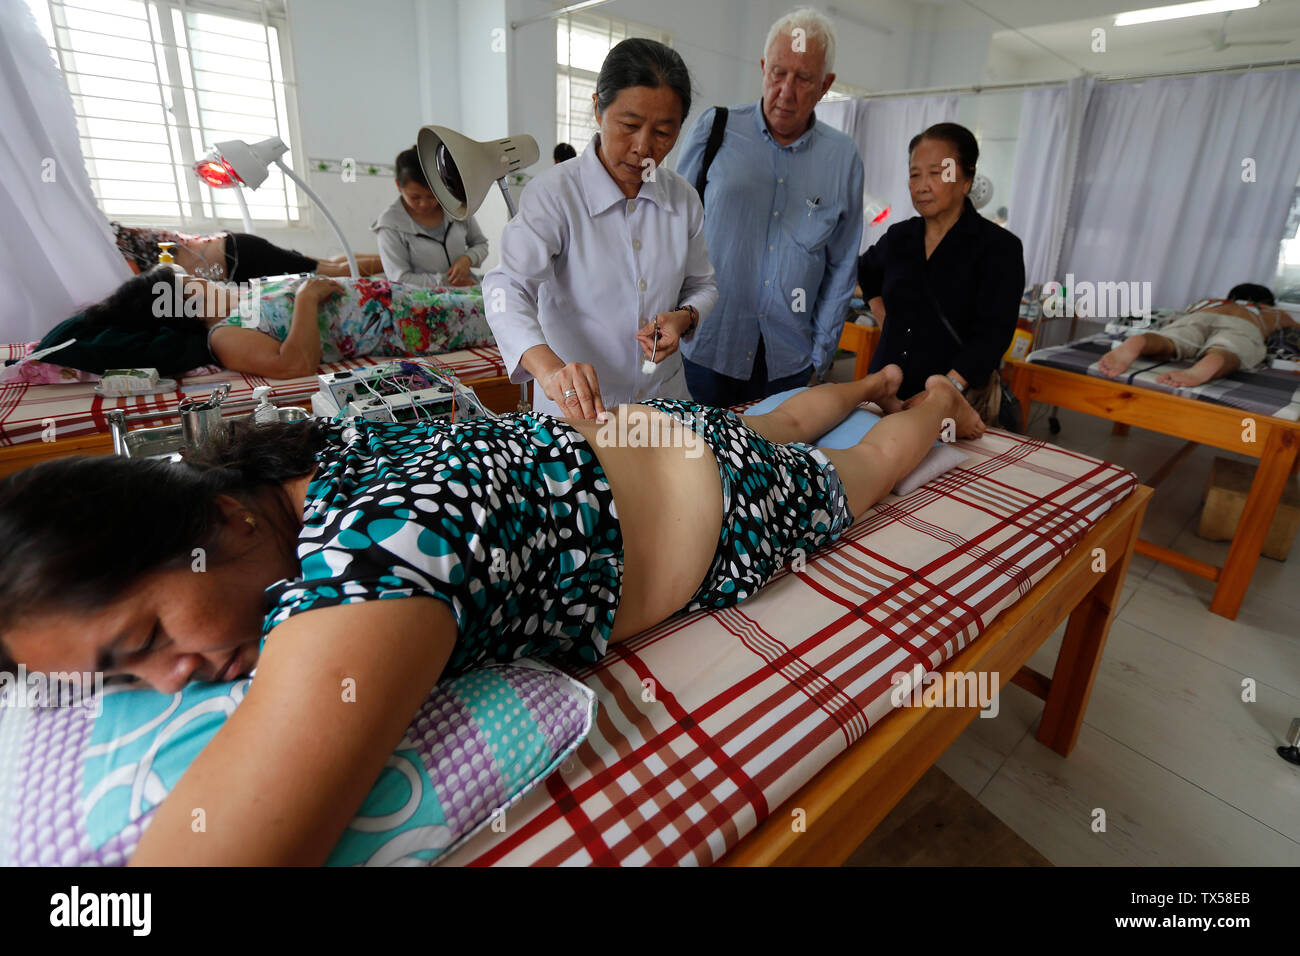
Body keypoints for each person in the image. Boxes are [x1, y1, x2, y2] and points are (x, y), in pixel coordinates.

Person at [0, 362, 980, 864]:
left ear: (218, 519)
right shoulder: (305, 472)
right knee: (773, 417)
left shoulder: (372, 552)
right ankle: (862, 381)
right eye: (123, 678)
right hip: (638, 434)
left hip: (729, 498)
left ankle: (933, 397)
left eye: (145, 639)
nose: (167, 677)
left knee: (865, 465)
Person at [483, 38, 717, 419]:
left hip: (665, 402)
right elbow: (506, 287)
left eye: (663, 132)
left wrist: (684, 317)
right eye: (629, 125)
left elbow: (703, 285)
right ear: (597, 109)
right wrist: (549, 369)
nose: (644, 147)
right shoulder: (556, 194)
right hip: (580, 412)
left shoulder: (683, 199)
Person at [674, 7, 863, 407]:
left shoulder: (843, 158)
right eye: (778, 73)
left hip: (789, 363)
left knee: (777, 469)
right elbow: (674, 230)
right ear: (763, 68)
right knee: (698, 466)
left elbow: (842, 265)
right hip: (708, 348)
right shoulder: (715, 130)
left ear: (826, 85)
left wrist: (819, 357)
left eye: (804, 78)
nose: (786, 91)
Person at [858, 122, 1024, 435]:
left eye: (937, 173)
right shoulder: (900, 237)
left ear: (967, 179)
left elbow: (994, 334)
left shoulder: (999, 248)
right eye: (914, 173)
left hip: (952, 406)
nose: (921, 185)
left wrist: (945, 390)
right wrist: (882, 313)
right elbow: (865, 271)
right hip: (883, 393)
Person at [32, 265, 491, 379]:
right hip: (413, 324)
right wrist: (308, 299)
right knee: (509, 314)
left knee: (497, 292)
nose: (202, 280)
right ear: (179, 306)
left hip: (405, 296)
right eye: (191, 283)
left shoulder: (242, 300)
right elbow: (295, 365)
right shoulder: (224, 336)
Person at [1097, 283, 1296, 386]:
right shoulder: (1270, 312)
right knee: (1230, 348)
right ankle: (1216, 359)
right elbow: (1296, 329)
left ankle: (1142, 341)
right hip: (1243, 325)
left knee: (1171, 341)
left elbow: (1180, 316)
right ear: (1268, 302)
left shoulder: (1210, 302)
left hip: (1199, 317)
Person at [371, 147, 489, 288]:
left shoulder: (455, 208)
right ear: (398, 186)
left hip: (468, 291)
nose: (424, 204)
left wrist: (468, 258)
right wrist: (446, 281)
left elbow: (481, 244)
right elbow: (399, 278)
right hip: (422, 303)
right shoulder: (390, 224)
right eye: (415, 197)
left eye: (432, 196)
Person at [111, 222, 383, 281]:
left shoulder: (117, 241)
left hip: (242, 257)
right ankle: (392, 261)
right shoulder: (123, 235)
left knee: (330, 271)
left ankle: (395, 263)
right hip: (237, 250)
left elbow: (137, 283)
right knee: (324, 264)